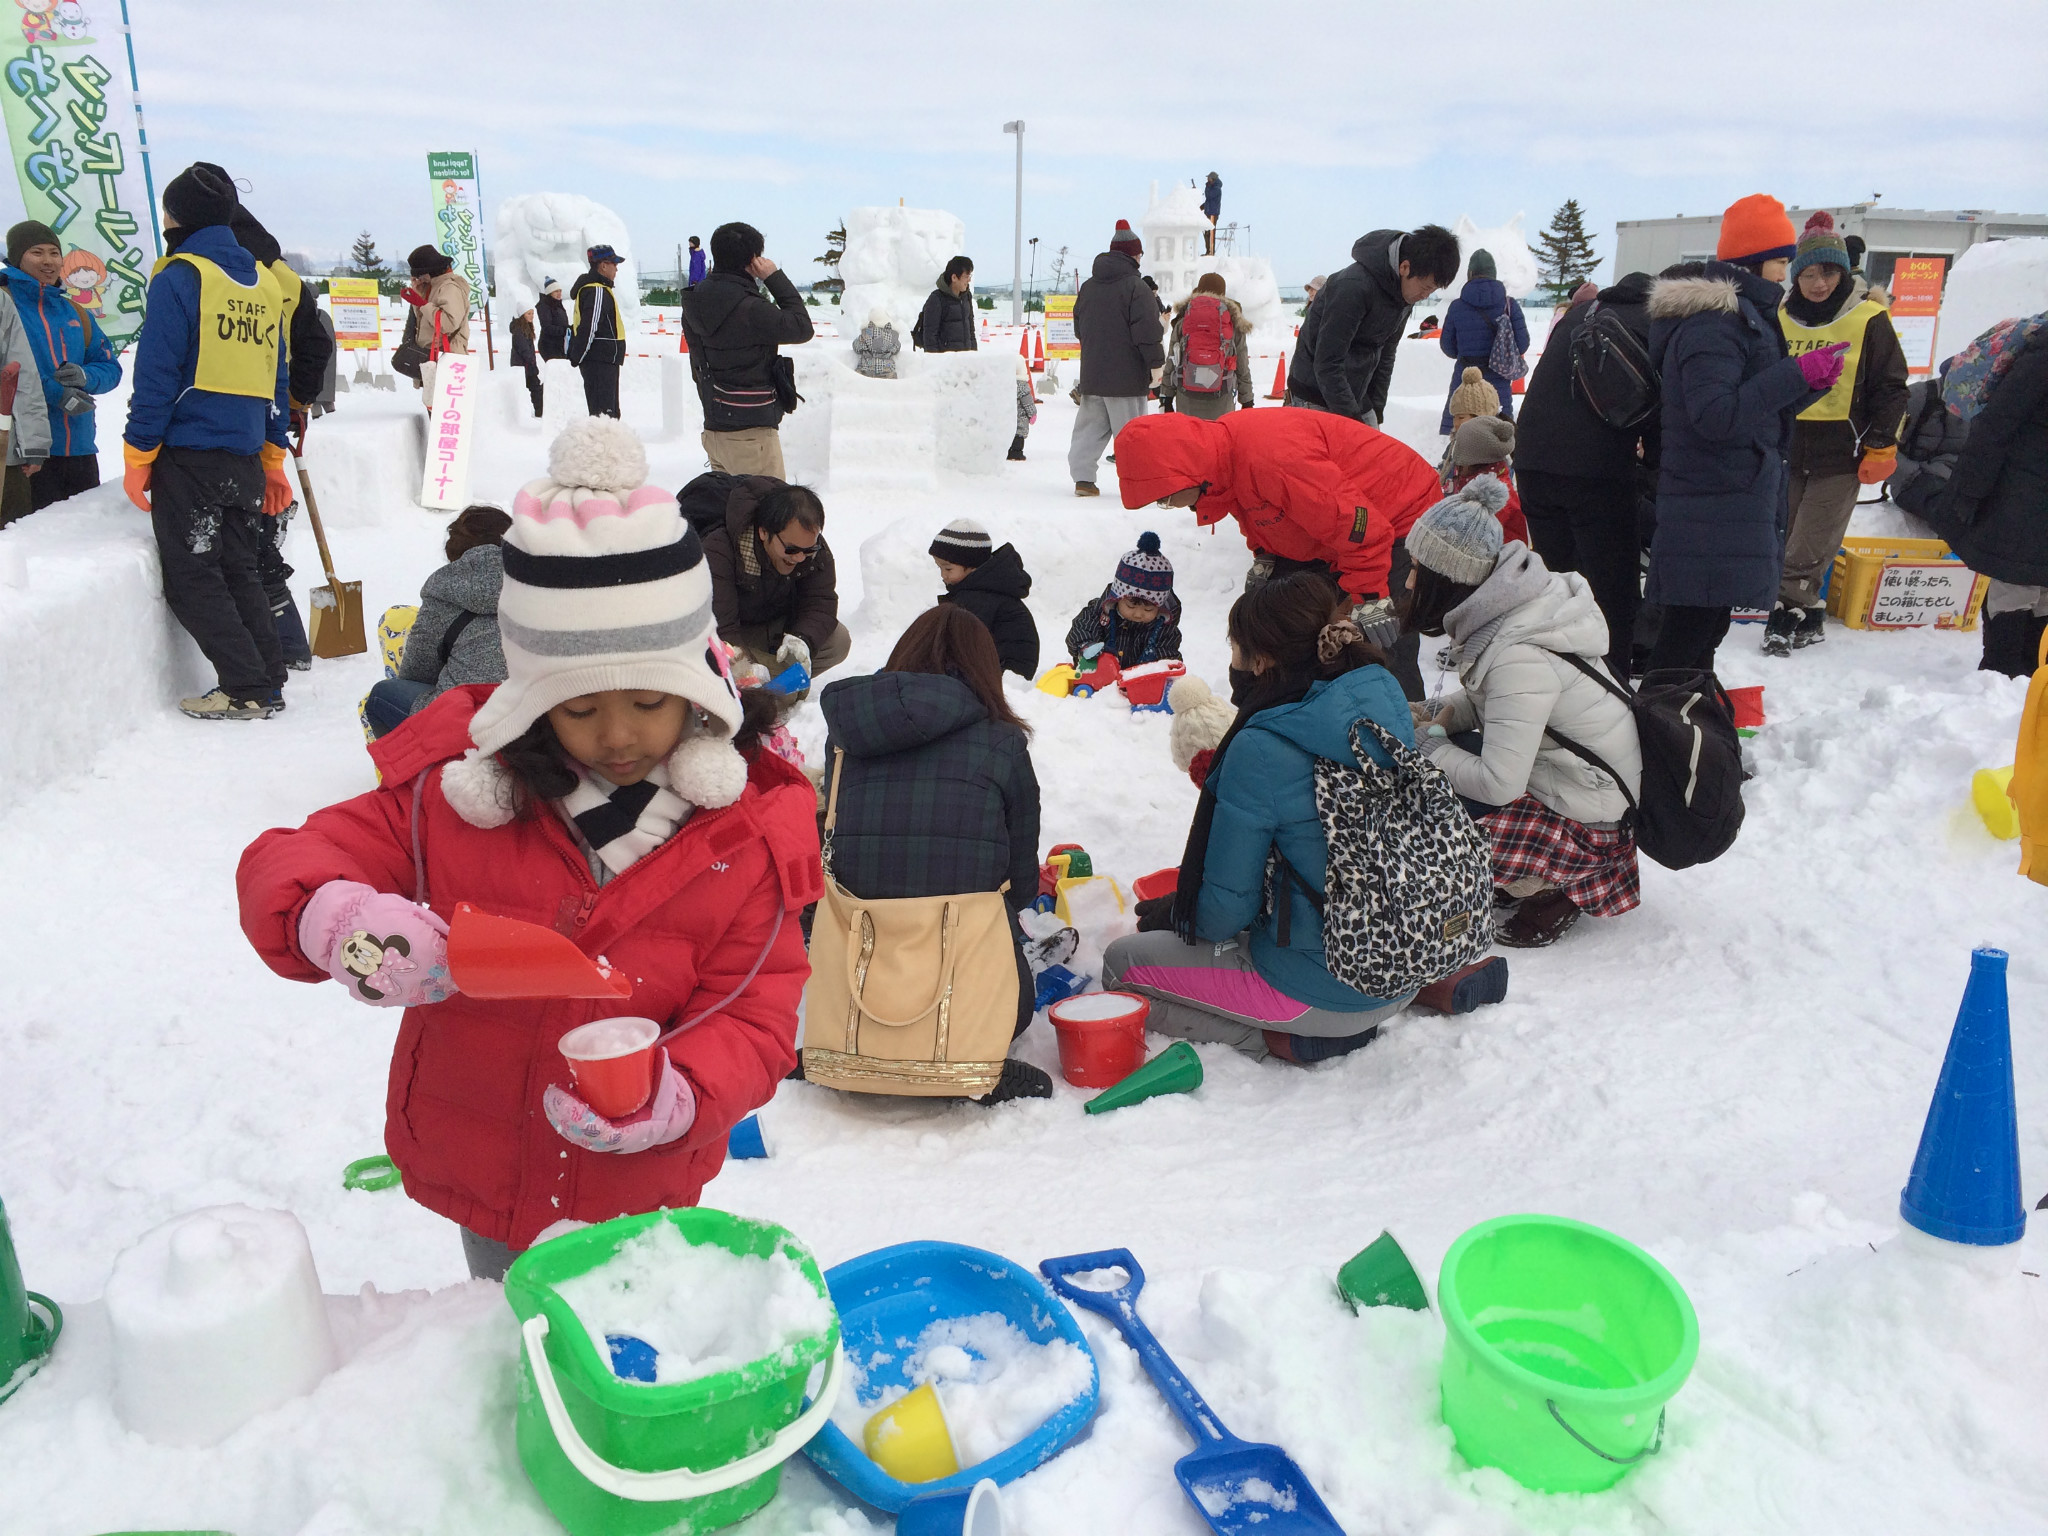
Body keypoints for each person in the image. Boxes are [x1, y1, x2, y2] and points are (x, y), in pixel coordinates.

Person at [237, 418, 819, 1281]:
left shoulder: (740, 840)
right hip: (482, 1157)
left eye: (648, 704)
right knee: (510, 1332)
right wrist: (340, 918)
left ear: (698, 693)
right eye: (579, 709)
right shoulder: (457, 795)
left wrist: (683, 1094)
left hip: (639, 1178)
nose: (618, 735)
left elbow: (757, 1015)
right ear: (528, 701)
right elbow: (291, 860)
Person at [1102, 571, 1508, 1063]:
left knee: (1122, 965)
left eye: (1236, 649)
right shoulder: (1380, 698)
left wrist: (1177, 914)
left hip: (1325, 988)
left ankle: (1282, 1039)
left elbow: (1224, 913)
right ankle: (1436, 990)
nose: (1231, 664)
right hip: (1408, 953)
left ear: (1263, 659)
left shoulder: (1262, 744)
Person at [816, 606, 1052, 1104]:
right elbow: (1022, 884)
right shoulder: (1002, 741)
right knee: (1016, 1002)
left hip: (861, 949)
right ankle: (966, 1059)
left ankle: (848, 1051)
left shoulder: (846, 740)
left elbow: (829, 838)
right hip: (959, 947)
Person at [1400, 478, 1643, 948]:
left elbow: (1498, 783)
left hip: (1592, 816)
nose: (1409, 583)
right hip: (1573, 778)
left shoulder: (1518, 653)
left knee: (1435, 795)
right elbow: (1498, 706)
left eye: (1416, 570)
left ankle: (1551, 886)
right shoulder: (1512, 611)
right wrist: (1434, 713)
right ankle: (1527, 873)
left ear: (1449, 578)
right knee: (1449, 765)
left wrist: (1427, 747)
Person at [1110, 408, 1445, 698]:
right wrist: (1266, 553)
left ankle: (1405, 735)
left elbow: (1362, 528)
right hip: (1342, 526)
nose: (1165, 505)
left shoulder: (1271, 458)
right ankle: (1295, 713)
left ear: (1184, 473)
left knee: (1378, 640)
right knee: (1283, 619)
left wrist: (1371, 597)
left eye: (1163, 498)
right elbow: (1257, 507)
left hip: (1397, 514)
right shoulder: (1221, 458)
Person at [123, 161, 295, 721]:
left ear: (177, 218)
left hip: (191, 457)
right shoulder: (263, 283)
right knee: (239, 567)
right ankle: (267, 677)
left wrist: (137, 452)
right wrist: (273, 456)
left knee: (194, 575)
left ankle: (245, 686)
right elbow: (277, 378)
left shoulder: (180, 276)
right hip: (245, 456)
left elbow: (156, 374)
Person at [1642, 194, 1833, 674]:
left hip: (1727, 500)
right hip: (1709, 502)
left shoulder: (1745, 319)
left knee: (1705, 632)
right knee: (1686, 637)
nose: (1786, 274)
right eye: (1780, 261)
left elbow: (1756, 413)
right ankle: (1663, 733)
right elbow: (1715, 416)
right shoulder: (1714, 324)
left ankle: (1690, 727)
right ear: (1751, 261)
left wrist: (1808, 385)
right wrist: (1794, 374)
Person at [1764, 212, 1910, 657]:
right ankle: (1811, 610)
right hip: (1788, 446)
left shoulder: (1869, 318)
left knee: (1811, 538)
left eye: (1827, 272)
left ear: (1843, 271)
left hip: (1843, 452)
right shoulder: (1781, 317)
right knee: (1786, 533)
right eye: (1807, 273)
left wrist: (1881, 442)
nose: (1818, 283)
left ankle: (1785, 609)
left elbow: (1891, 386)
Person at [1515, 270, 1659, 680]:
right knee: (1612, 590)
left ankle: (1558, 681)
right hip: (1596, 473)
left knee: (1558, 585)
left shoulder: (1580, 316)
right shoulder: (1653, 325)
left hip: (1532, 462)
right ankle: (1610, 687)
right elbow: (1656, 412)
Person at [233, 206, 335, 674]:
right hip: (278, 413)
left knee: (252, 540)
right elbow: (317, 345)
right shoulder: (288, 278)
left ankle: (283, 645)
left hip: (242, 420)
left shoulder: (233, 275)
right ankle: (289, 640)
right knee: (264, 529)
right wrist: (297, 399)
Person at [1923, 318, 2048, 677]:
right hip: (2022, 493)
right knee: (2017, 584)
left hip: (2030, 491)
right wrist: (1967, 493)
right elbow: (1996, 425)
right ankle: (2003, 673)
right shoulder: (2042, 354)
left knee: (2040, 587)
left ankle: (2033, 678)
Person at [679, 470, 851, 679]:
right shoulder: (718, 550)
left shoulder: (811, 549)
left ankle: (767, 684)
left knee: (837, 641)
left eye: (808, 550)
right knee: (736, 667)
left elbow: (820, 601)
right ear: (763, 532)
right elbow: (720, 625)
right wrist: (745, 665)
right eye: (791, 550)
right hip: (727, 633)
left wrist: (802, 639)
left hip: (774, 626)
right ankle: (757, 687)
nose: (799, 557)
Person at [678, 221, 816, 478]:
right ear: (753, 259)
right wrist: (774, 278)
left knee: (730, 513)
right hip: (752, 434)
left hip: (715, 428)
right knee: (767, 515)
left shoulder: (694, 301)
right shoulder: (751, 308)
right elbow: (802, 327)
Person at [1288, 224, 1461, 425]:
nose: (1425, 296)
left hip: (1355, 397)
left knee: (1373, 452)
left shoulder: (1404, 296)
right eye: (1425, 288)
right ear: (1405, 267)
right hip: (1313, 393)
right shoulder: (1353, 286)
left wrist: (1376, 408)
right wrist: (1353, 421)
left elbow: (1386, 352)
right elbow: (1327, 363)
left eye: (1432, 291)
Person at [364, 505, 510, 738]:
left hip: (464, 724)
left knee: (381, 696)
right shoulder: (542, 584)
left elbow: (419, 671)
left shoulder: (445, 591)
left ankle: (411, 769)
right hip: (531, 718)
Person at [2, 219, 119, 509]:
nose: (48, 261)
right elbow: (11, 374)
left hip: (80, 448)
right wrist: (56, 395)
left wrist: (85, 375)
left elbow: (111, 368)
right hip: (24, 453)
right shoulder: (6, 304)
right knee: (31, 547)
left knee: (84, 546)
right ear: (17, 258)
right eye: (37, 252)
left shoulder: (75, 311)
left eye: (54, 253)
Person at [1068, 220, 1164, 497]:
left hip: (1093, 376)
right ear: (1133, 255)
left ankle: (1083, 480)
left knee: (1088, 431)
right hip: (1127, 377)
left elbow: (1079, 328)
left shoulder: (1088, 287)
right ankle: (1137, 482)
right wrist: (1155, 364)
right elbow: (1147, 332)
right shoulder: (1136, 288)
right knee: (1130, 434)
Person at [932, 517, 1038, 678]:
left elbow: (958, 645)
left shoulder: (978, 600)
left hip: (1004, 675)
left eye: (948, 569)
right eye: (939, 568)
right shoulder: (978, 591)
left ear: (972, 566)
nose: (943, 575)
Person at [1436, 248, 1528, 432]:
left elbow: (1447, 347)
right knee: (1500, 433)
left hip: (1465, 377)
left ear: (1470, 274)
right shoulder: (1509, 305)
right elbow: (1523, 344)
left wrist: (1465, 353)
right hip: (1498, 379)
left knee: (1461, 433)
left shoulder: (1457, 307)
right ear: (1494, 274)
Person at [1064, 532, 1183, 667]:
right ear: (1116, 598)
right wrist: (1086, 646)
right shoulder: (1098, 614)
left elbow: (1169, 656)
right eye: (1131, 606)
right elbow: (1081, 628)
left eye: (1148, 609)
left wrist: (1156, 664)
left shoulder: (1163, 629)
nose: (1138, 614)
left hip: (1139, 684)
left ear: (1160, 607)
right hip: (1098, 680)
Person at [1159, 272, 1255, 420]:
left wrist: (1166, 397)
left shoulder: (1184, 320)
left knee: (1190, 441)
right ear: (1223, 293)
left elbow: (1172, 360)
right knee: (1219, 441)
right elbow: (1242, 365)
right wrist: (1247, 399)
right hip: (1222, 399)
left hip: (1187, 400)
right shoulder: (1232, 322)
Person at [0, 278, 52, 530]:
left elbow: (22, 373)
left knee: (11, 545)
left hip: (3, 455)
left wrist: (33, 443)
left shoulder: (1, 302)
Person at [1443, 413, 1527, 545]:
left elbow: (1471, 537)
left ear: (1472, 460)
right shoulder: (1473, 481)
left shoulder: (1495, 497)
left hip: (1502, 560)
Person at [404, 244, 471, 406]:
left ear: (429, 271)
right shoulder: (433, 286)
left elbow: (448, 323)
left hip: (446, 357)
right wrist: (418, 296)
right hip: (433, 358)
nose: (419, 279)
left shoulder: (449, 287)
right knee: (436, 411)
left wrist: (421, 303)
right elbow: (425, 320)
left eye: (420, 275)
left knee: (446, 413)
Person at [568, 244, 627, 420]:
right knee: (604, 417)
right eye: (614, 264)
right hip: (600, 360)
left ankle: (607, 445)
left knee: (605, 414)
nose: (616, 269)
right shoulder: (597, 290)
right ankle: (605, 447)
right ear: (603, 265)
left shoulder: (598, 288)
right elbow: (589, 327)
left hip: (602, 360)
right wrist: (577, 356)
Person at [914, 256, 978, 352]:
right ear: (954, 277)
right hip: (945, 362)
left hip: (965, 360)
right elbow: (930, 336)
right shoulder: (936, 299)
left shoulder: (966, 297)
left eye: (970, 276)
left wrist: (974, 353)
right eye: (966, 276)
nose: (969, 280)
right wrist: (935, 362)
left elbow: (971, 330)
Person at [509, 309, 543, 417]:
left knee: (534, 387)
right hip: (523, 365)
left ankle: (539, 411)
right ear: (522, 315)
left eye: (532, 313)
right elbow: (523, 348)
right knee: (535, 388)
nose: (532, 316)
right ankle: (539, 412)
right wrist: (531, 361)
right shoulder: (519, 329)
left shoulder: (526, 327)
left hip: (527, 364)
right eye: (529, 313)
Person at [852, 307, 899, 379]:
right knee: (890, 382)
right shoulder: (891, 335)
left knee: (859, 379)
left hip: (866, 367)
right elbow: (897, 348)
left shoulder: (867, 333)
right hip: (887, 368)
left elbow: (856, 347)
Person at [1011, 352, 1037, 460]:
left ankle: (1008, 451)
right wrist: (1033, 413)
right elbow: (1028, 402)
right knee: (1019, 436)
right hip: (1020, 418)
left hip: (1008, 417)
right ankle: (1017, 453)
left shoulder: (1006, 384)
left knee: (1009, 435)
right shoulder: (1023, 387)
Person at [536, 278, 569, 361]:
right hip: (549, 345)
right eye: (556, 291)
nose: (559, 293)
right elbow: (547, 327)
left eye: (560, 291)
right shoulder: (544, 306)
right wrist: (564, 330)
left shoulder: (558, 305)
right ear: (549, 292)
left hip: (559, 344)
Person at [1202, 171, 1222, 255]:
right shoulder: (1212, 187)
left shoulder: (1216, 188)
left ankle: (1211, 252)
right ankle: (1208, 251)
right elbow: (1208, 200)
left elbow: (1209, 196)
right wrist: (1201, 207)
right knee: (1206, 232)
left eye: (1208, 178)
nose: (1207, 179)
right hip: (1209, 212)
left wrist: (1207, 186)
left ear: (1212, 179)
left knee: (1210, 232)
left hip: (1212, 213)